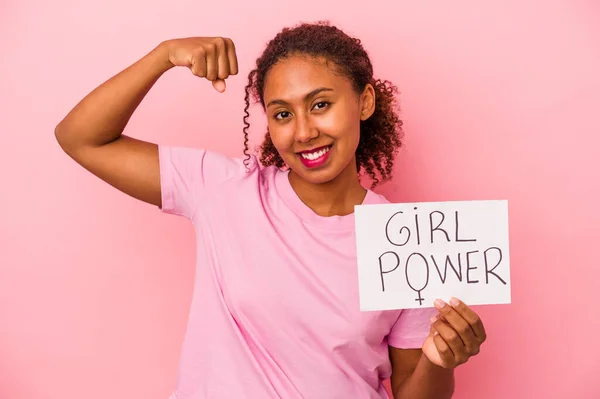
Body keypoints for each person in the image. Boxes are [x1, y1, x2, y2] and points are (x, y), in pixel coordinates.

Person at [55, 21, 486, 399]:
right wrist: (164, 55)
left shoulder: (407, 239)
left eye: (321, 105)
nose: (303, 132)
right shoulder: (222, 189)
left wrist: (441, 358)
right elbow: (81, 138)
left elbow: (416, 394)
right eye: (282, 114)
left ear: (365, 102)